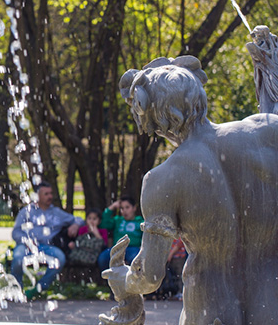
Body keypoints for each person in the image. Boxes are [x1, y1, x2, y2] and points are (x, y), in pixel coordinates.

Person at [103, 56, 278, 325]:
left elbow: (149, 277)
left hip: (211, 309)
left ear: (151, 115)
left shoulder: (161, 180)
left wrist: (124, 280)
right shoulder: (265, 131)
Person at [10, 182, 83, 298]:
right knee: (18, 258)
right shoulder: (27, 211)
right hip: (26, 246)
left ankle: (38, 289)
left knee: (59, 258)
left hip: (46, 247)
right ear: (37, 196)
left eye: (51, 193)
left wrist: (75, 225)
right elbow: (16, 232)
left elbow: (79, 219)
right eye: (46, 194)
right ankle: (16, 290)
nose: (50, 196)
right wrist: (26, 241)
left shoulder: (57, 213)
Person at [97, 196, 143, 270]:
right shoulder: (117, 220)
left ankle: (132, 280)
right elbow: (103, 224)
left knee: (135, 260)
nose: (124, 211)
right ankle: (108, 280)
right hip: (117, 248)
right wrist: (113, 206)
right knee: (103, 258)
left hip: (133, 248)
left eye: (127, 207)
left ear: (134, 208)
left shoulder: (140, 221)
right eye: (122, 208)